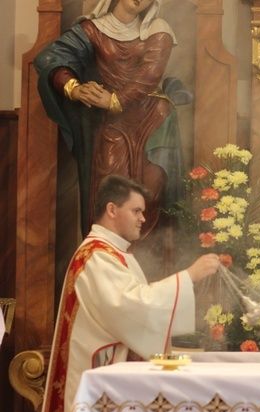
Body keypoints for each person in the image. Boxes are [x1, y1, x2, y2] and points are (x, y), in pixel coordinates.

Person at [28, 175, 221, 412]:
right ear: (112, 209)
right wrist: (188, 276)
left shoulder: (115, 254)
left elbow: (136, 312)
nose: (143, 219)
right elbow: (134, 307)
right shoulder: (95, 257)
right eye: (137, 211)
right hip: (101, 385)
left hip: (115, 381)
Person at [34, 0, 182, 236]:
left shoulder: (158, 30)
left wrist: (114, 100)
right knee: (110, 192)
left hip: (151, 122)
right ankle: (106, 252)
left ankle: (147, 254)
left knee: (151, 191)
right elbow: (49, 58)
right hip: (112, 125)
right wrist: (74, 88)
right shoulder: (93, 30)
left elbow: (149, 76)